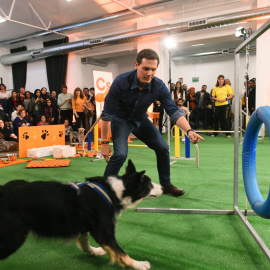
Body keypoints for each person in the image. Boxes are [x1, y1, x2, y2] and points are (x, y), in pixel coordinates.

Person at [100, 49, 204, 197]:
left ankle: (166, 185)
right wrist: (104, 143)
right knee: (121, 154)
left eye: (153, 69)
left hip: (140, 119)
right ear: (136, 64)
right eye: (146, 68)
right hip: (121, 120)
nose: (149, 73)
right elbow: (107, 114)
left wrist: (189, 131)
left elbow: (173, 111)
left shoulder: (159, 86)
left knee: (162, 148)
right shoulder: (120, 82)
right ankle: (103, 189)